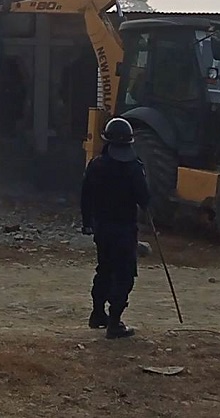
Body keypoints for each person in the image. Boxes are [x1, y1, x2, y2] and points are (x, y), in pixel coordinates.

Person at [80, 117, 150, 340]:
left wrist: (87, 223)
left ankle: (98, 314)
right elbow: (145, 199)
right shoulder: (133, 168)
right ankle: (114, 323)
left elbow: (85, 196)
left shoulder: (96, 166)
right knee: (124, 274)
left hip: (102, 228)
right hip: (124, 230)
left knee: (104, 269)